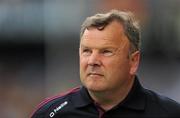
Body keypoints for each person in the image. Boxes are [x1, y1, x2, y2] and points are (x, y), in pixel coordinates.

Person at [31, 10, 180, 118]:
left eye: (106, 51)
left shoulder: (169, 113)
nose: (93, 61)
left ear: (134, 61)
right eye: (87, 51)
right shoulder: (49, 113)